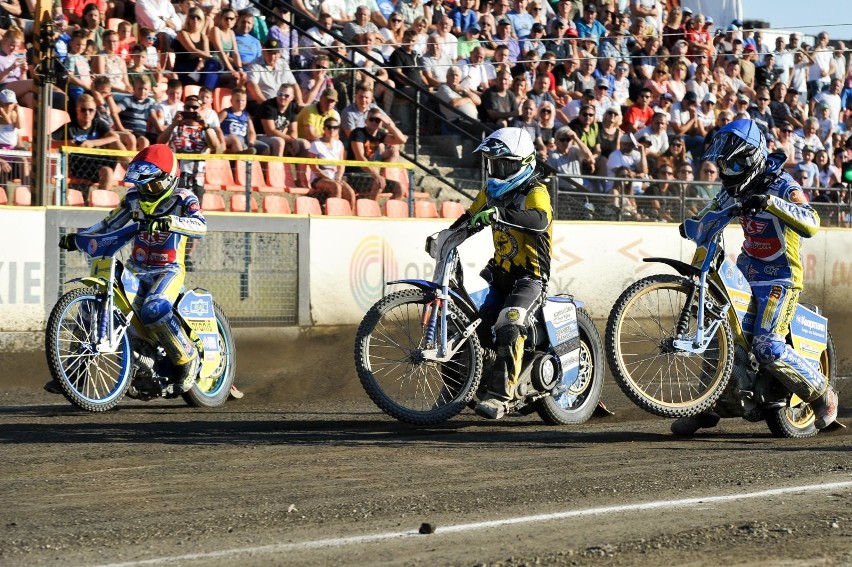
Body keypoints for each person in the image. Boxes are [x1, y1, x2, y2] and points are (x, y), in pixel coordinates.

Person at [671, 119, 838, 435]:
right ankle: (706, 406)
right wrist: (692, 224)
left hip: (780, 280)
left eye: (732, 162)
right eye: (723, 164)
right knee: (716, 329)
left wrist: (772, 203)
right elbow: (707, 214)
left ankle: (822, 394)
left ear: (750, 158)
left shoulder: (782, 185)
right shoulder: (730, 191)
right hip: (747, 274)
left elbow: (812, 221)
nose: (726, 170)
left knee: (767, 345)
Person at [58, 145, 206, 394]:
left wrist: (171, 222)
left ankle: (186, 359)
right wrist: (79, 237)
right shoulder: (133, 198)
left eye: (152, 185)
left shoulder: (184, 198)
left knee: (154, 308)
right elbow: (108, 224)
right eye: (143, 185)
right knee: (93, 304)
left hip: (167, 270)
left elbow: (201, 226)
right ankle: (74, 373)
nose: (146, 190)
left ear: (169, 179)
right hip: (135, 269)